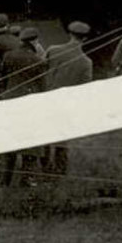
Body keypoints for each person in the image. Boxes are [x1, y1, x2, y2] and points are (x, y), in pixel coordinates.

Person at [42, 21, 94, 176]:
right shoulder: (86, 62)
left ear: (70, 34)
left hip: (47, 98)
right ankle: (60, 169)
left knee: (43, 134)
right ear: (84, 39)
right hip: (66, 103)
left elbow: (41, 69)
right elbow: (85, 88)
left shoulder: (52, 50)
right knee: (62, 137)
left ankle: (44, 166)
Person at [0, 26, 48, 187]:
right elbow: (42, 86)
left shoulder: (8, 56)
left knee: (10, 140)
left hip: (10, 101)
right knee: (30, 142)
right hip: (29, 104)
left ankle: (6, 178)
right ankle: (26, 178)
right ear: (34, 41)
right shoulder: (38, 60)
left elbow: (2, 79)